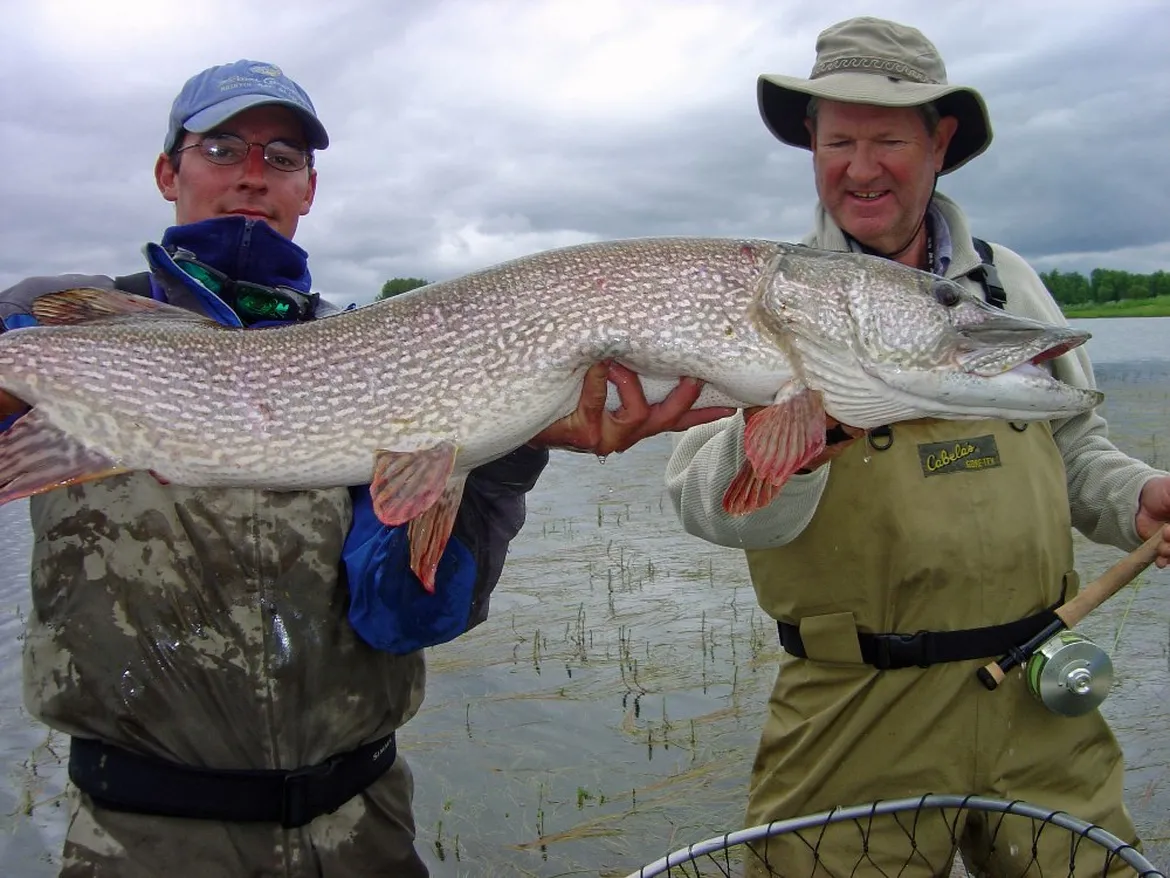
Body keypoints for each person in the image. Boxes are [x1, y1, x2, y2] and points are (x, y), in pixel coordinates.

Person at [0, 60, 733, 877]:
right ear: (169, 171)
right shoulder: (49, 315)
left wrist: (508, 442)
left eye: (282, 157)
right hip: (141, 841)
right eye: (222, 148)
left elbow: (406, 618)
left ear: (308, 188)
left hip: (362, 831)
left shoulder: (391, 357)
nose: (253, 174)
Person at [666, 17, 1170, 876]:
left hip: (1040, 700)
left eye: (888, 139)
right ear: (811, 147)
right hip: (855, 716)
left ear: (939, 143)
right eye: (839, 141)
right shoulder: (757, 295)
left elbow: (1075, 446)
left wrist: (1137, 498)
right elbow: (705, 508)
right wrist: (788, 441)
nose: (860, 168)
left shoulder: (1009, 285)